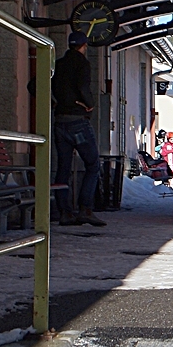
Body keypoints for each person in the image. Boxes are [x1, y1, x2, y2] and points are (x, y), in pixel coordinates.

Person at [51, 31, 106, 227]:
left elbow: (33, 85)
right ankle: (85, 209)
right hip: (78, 121)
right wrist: (89, 103)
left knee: (63, 168)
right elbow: (83, 86)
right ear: (84, 46)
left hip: (59, 123)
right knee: (92, 165)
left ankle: (64, 212)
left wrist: (53, 102)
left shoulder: (58, 64)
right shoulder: (82, 63)